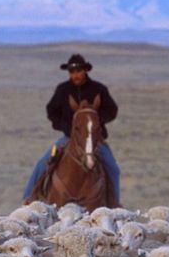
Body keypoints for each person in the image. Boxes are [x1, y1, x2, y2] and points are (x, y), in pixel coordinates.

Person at [23, 53, 120, 203]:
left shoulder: (99, 89)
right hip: (68, 137)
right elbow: (52, 111)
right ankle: (28, 199)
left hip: (95, 139)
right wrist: (63, 126)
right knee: (43, 162)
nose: (75, 75)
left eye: (78, 71)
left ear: (85, 71)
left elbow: (111, 110)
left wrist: (94, 124)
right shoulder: (62, 89)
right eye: (72, 72)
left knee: (112, 167)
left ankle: (115, 204)